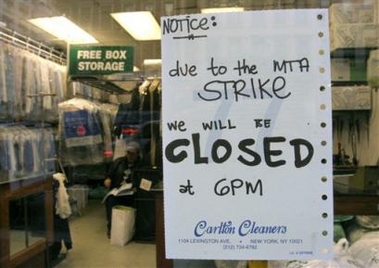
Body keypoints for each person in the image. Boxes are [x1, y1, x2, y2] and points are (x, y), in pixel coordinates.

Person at [103, 141, 142, 238]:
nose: (130, 155)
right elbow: (109, 175)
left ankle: (133, 229)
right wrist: (107, 180)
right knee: (111, 200)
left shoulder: (141, 165)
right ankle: (112, 228)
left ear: (137, 153)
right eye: (128, 152)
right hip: (118, 191)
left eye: (132, 153)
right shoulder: (118, 162)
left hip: (133, 193)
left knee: (137, 202)